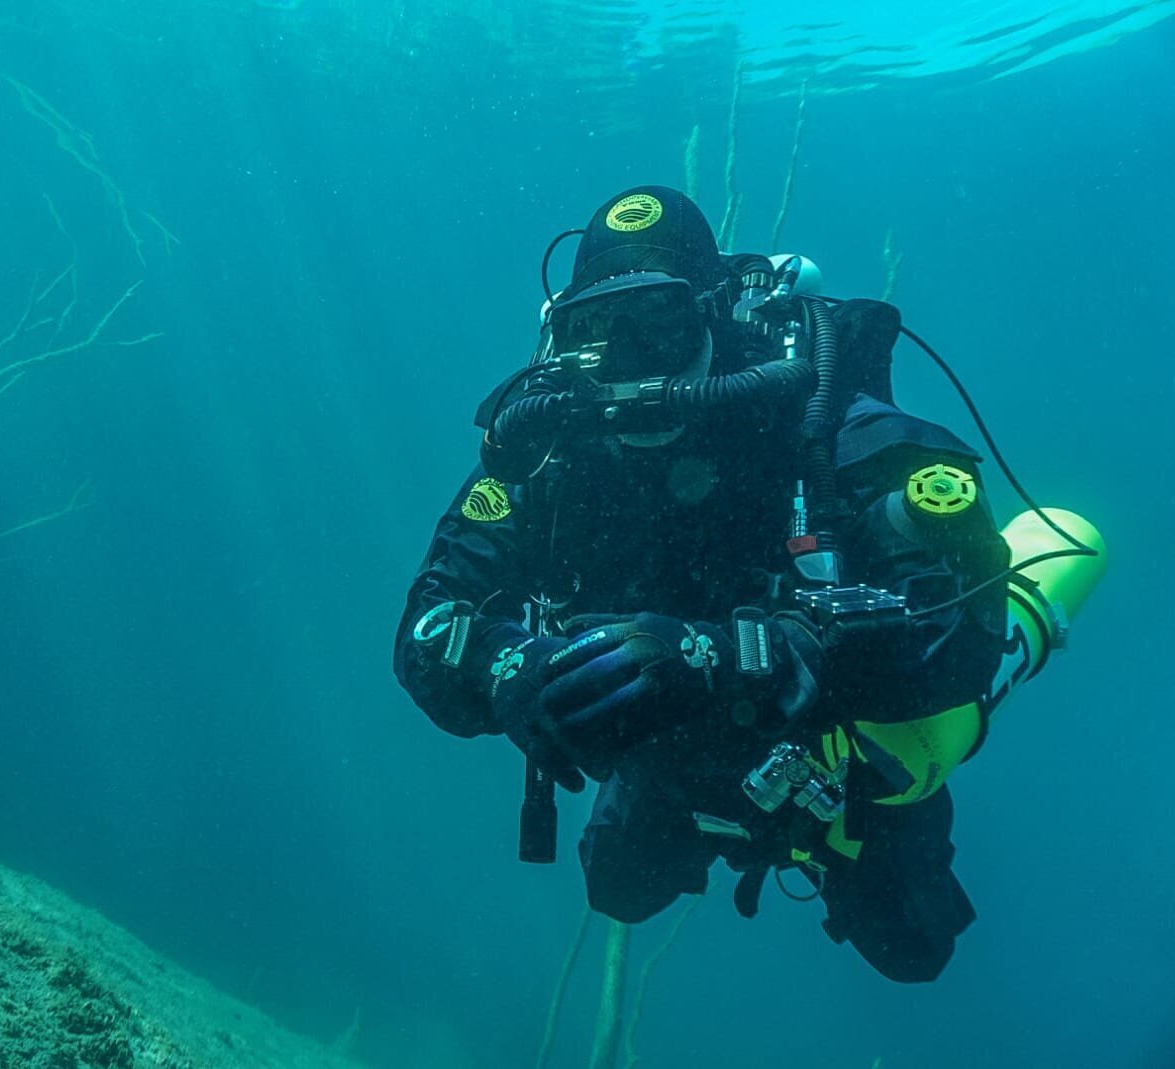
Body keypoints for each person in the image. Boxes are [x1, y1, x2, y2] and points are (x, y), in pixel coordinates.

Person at [393, 186, 1014, 983]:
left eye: (658, 321)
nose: (632, 358)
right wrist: (509, 667)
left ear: (715, 313)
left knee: (914, 947)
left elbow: (960, 637)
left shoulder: (827, 430)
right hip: (666, 760)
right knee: (617, 886)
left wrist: (731, 656)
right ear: (561, 334)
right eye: (599, 328)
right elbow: (425, 622)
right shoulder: (546, 452)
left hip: (828, 756)